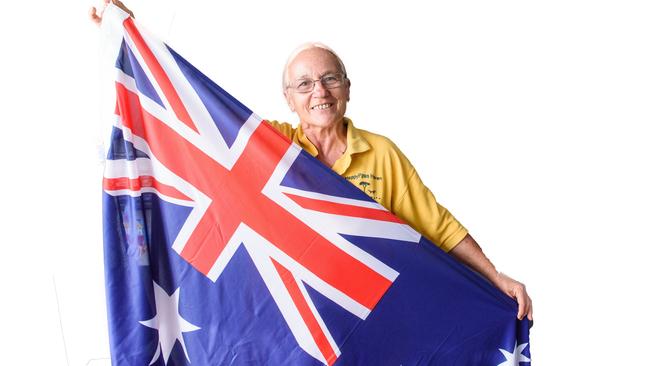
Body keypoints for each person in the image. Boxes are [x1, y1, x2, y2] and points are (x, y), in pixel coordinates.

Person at [90, 0, 533, 322]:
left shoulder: (380, 153)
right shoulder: (268, 145)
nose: (318, 92)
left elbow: (438, 227)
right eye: (304, 84)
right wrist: (130, 37)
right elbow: (197, 123)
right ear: (288, 99)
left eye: (329, 79)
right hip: (290, 313)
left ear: (346, 87)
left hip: (367, 311)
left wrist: (494, 276)